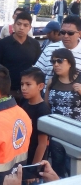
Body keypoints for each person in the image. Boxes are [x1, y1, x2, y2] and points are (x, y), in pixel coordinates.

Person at [44, 48, 81, 178]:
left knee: (74, 170)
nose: (55, 65)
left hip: (76, 134)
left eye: (59, 61)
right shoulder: (51, 82)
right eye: (53, 62)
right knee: (57, 169)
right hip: (56, 134)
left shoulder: (80, 79)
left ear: (70, 62)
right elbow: (46, 106)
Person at [0, 12, 41, 104]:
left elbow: (39, 67)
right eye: (19, 24)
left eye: (25, 25)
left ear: (30, 27)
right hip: (7, 91)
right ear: (14, 25)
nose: (21, 28)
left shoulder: (35, 44)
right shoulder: (3, 44)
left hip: (27, 92)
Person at [20, 67, 51, 184]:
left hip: (34, 163)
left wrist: (33, 170)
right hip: (23, 157)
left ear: (40, 86)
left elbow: (42, 144)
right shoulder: (24, 102)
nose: (23, 88)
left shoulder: (43, 110)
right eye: (22, 84)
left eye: (28, 84)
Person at [35, 15, 81, 91]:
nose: (66, 36)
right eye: (62, 32)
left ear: (79, 34)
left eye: (70, 33)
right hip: (47, 99)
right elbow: (36, 74)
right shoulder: (49, 49)